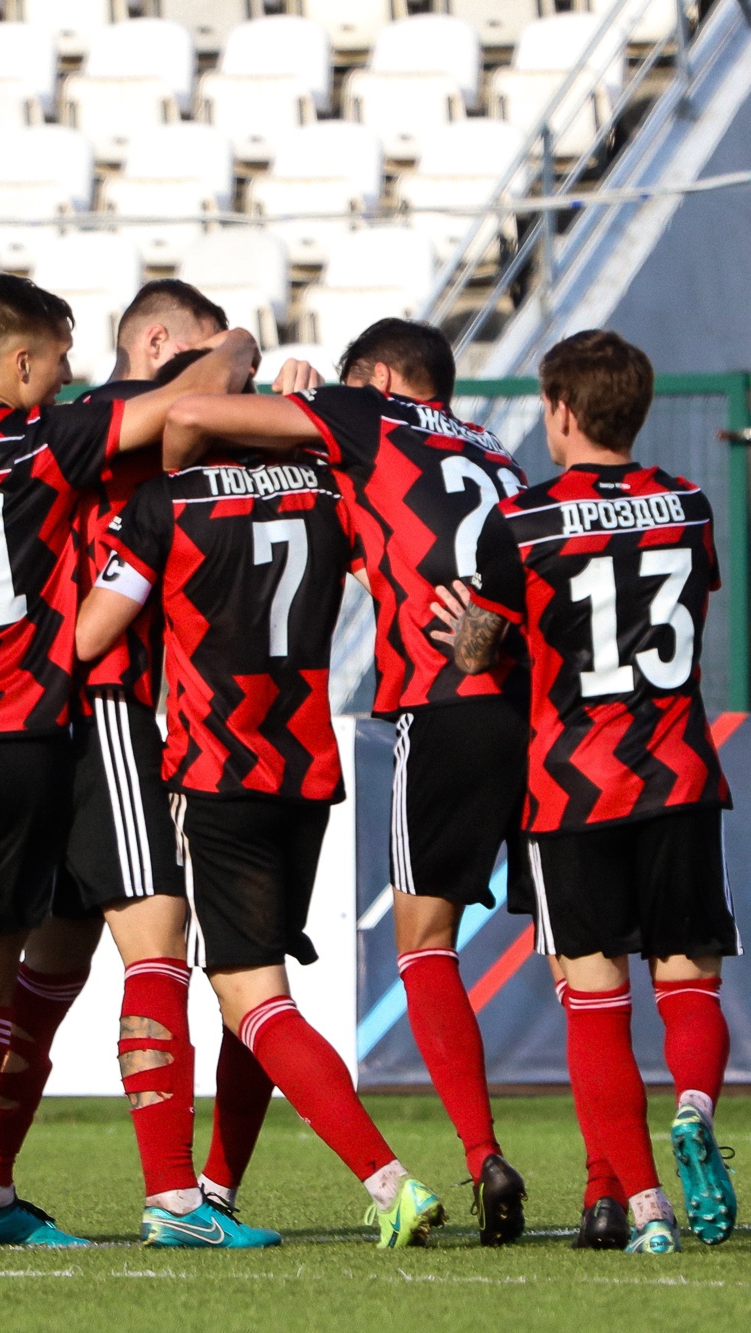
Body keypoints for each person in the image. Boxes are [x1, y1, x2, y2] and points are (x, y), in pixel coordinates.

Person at [0, 272, 259, 1251]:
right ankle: (173, 1196)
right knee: (149, 936)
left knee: (23, 970)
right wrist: (243, 346)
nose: (67, 376)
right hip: (80, 715)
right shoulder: (65, 434)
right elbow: (180, 402)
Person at [154, 319, 532, 1244]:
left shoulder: (366, 415)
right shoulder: (503, 456)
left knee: (415, 947)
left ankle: (465, 1156)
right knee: (579, 954)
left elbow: (192, 414)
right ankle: (626, 1185)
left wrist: (278, 385)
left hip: (413, 709)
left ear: (384, 378)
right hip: (529, 708)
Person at [72, 410, 447, 1250]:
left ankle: (388, 1182)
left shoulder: (167, 503)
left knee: (251, 994)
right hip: (305, 771)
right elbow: (390, 572)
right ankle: (218, 1189)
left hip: (217, 773)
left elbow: (92, 631)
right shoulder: (327, 493)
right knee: (258, 987)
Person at [435, 328, 738, 1255]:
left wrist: (466, 628)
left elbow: (481, 651)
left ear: (561, 412)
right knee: (688, 981)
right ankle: (693, 1107)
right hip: (679, 772)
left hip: (572, 790)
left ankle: (646, 1212)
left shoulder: (518, 522)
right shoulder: (688, 505)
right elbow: (689, 608)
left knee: (596, 1000)